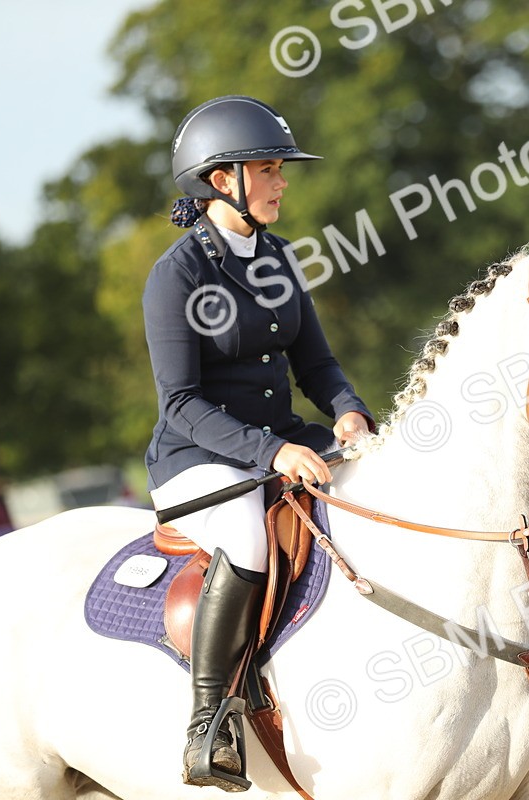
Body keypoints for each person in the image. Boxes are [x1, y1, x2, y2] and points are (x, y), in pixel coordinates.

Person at [144, 95, 374, 790]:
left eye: (280, 169)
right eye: (269, 169)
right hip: (196, 460)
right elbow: (180, 404)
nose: (281, 181)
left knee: (377, 477)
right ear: (223, 180)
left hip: (283, 440)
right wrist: (272, 455)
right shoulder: (175, 276)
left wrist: (350, 415)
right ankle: (208, 724)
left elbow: (318, 367)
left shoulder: (277, 257)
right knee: (246, 535)